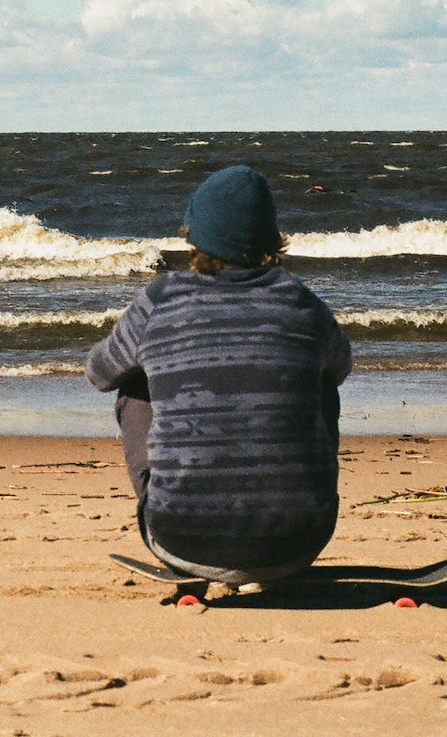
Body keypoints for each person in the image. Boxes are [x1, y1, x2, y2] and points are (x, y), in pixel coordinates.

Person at [85, 165, 352, 584]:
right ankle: (286, 504)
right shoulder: (301, 301)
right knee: (322, 383)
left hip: (181, 542)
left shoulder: (161, 298)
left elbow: (100, 374)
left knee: (133, 384)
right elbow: (342, 367)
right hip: (298, 543)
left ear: (196, 236)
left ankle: (183, 509)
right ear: (271, 236)